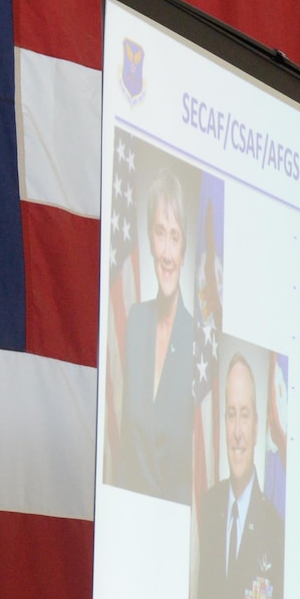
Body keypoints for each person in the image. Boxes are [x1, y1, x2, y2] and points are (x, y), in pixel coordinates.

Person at [192, 354, 286, 599]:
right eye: (231, 414)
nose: (237, 433)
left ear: (257, 425)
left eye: (244, 415)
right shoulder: (209, 506)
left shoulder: (276, 530)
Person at [117, 169, 196, 502]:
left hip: (169, 534)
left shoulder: (197, 342)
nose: (166, 252)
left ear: (183, 250)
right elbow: (125, 446)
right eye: (160, 233)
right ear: (149, 239)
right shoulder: (135, 320)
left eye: (174, 237)